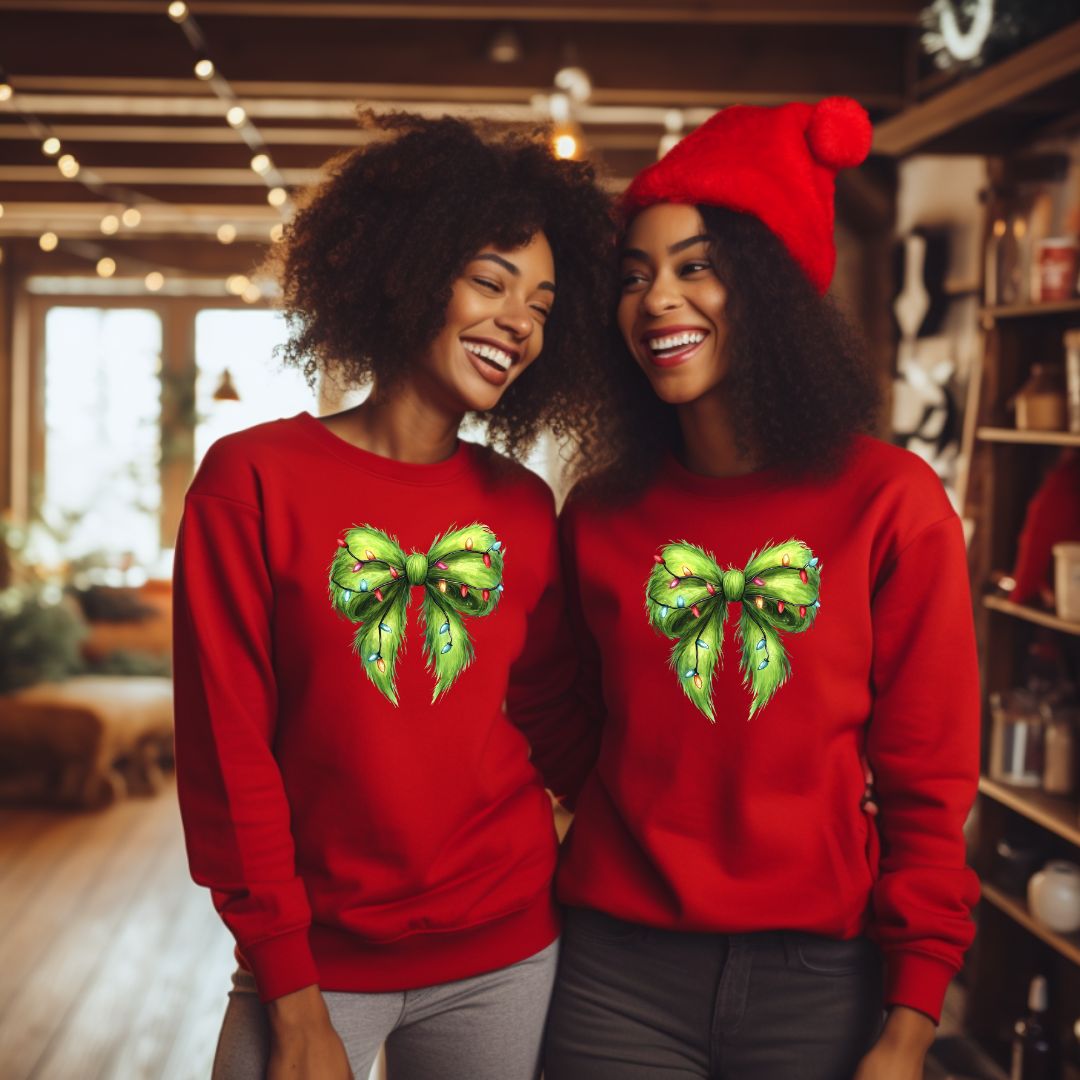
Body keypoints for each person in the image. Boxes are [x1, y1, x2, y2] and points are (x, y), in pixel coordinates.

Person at [544, 97, 980, 1080]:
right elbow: (566, 721)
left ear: (773, 288)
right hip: (614, 973)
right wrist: (650, 808)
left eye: (697, 267)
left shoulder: (892, 504)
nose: (658, 300)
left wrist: (909, 1028)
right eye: (635, 275)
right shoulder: (601, 512)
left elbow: (930, 785)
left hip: (819, 982)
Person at [172, 110, 612, 1080]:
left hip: (506, 948)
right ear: (406, 274)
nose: (518, 323)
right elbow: (226, 753)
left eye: (541, 304)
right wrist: (291, 997)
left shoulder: (523, 507)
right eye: (490, 283)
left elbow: (553, 718)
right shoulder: (252, 480)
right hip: (314, 963)